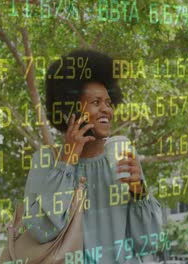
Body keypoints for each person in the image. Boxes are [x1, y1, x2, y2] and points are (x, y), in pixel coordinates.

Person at [23, 49, 162, 263]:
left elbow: (147, 242)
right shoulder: (46, 161)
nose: (106, 110)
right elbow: (41, 230)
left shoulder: (122, 157)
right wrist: (66, 163)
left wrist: (139, 192)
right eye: (96, 103)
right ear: (71, 110)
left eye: (108, 102)